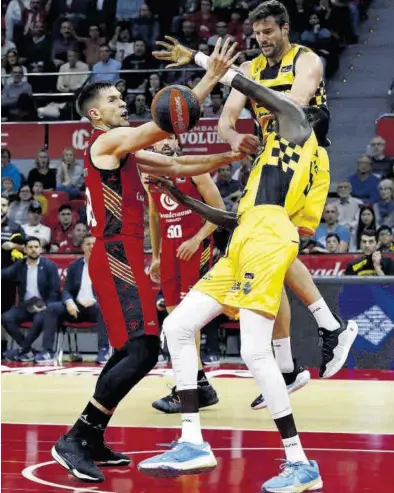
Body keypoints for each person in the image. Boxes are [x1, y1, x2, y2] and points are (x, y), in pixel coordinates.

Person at [139, 35, 358, 492]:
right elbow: (232, 218)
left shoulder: (298, 127)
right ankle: (193, 441)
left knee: (253, 354)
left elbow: (259, 91)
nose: (267, 118)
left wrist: (204, 63)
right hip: (243, 240)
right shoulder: (261, 164)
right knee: (177, 327)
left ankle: (300, 463)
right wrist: (181, 197)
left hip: (268, 238)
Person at [50, 42, 244, 484]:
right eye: (114, 101)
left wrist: (233, 155)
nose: (123, 104)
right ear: (95, 115)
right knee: (142, 349)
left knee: (128, 350)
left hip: (125, 253)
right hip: (114, 252)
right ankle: (77, 436)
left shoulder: (126, 153)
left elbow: (179, 166)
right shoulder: (107, 141)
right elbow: (164, 123)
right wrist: (211, 76)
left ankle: (92, 437)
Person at [146, 136, 223, 413]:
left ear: (177, 141)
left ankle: (187, 388)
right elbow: (154, 216)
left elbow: (219, 211)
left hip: (195, 247)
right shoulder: (150, 176)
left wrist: (196, 239)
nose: (165, 142)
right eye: (159, 138)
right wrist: (155, 256)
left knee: (188, 321)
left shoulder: (194, 168)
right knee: (174, 319)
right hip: (169, 252)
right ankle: (200, 385)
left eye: (170, 137)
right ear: (152, 145)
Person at [34, 235, 110, 365]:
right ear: (82, 247)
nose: (91, 247)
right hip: (75, 308)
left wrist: (96, 300)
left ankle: (104, 350)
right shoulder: (75, 265)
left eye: (94, 244)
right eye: (88, 244)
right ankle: (47, 351)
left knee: (104, 309)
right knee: (52, 308)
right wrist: (69, 302)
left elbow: (111, 291)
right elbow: (67, 290)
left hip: (96, 308)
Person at [1, 236, 60, 362]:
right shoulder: (20, 265)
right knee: (6, 317)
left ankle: (22, 351)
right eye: (30, 247)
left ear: (41, 249)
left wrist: (45, 305)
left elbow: (55, 292)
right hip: (26, 306)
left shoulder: (50, 266)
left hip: (43, 306)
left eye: (36, 247)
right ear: (25, 250)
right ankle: (27, 350)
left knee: (39, 318)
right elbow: (5, 273)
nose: (34, 250)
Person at [1, 196, 25, 316]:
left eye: (4, 205)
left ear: (8, 208)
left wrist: (14, 245)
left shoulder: (15, 227)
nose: (1, 208)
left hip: (8, 276)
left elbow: (27, 249)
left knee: (5, 313)